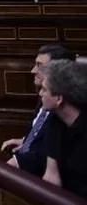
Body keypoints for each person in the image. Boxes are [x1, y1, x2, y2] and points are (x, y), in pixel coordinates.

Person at [2, 44, 77, 175]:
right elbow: (42, 135)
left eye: (40, 66)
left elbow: (54, 152)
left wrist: (19, 162)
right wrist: (25, 142)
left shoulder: (65, 110)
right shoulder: (44, 95)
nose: (33, 70)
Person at [38, 60, 87, 198]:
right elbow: (52, 176)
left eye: (44, 89)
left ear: (59, 99)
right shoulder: (54, 120)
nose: (40, 93)